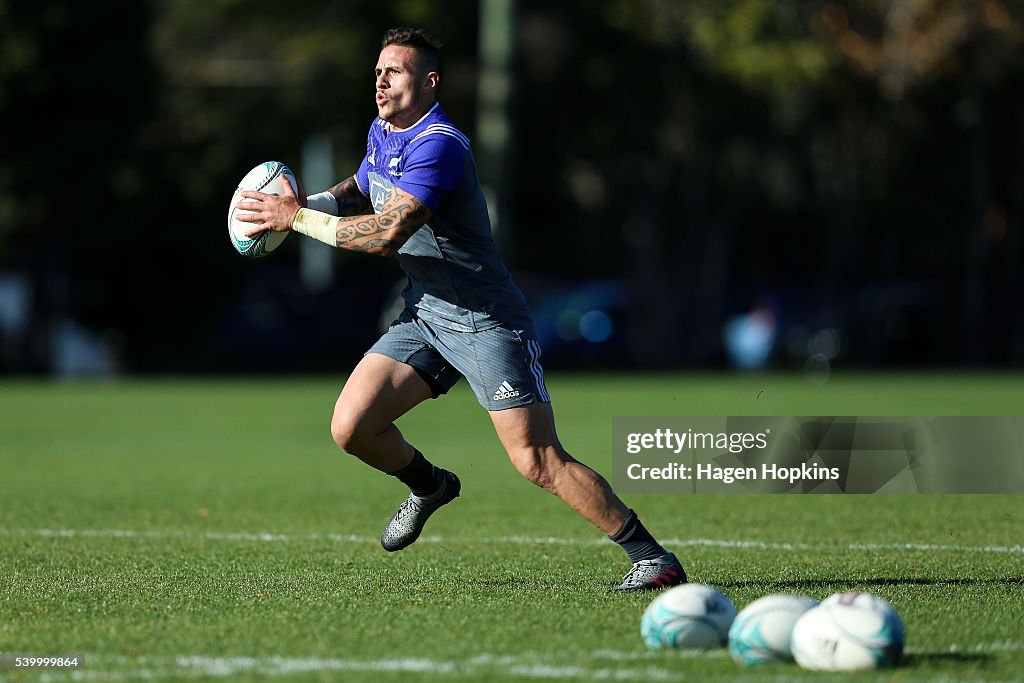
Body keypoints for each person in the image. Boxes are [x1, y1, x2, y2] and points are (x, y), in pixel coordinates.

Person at [235, 27, 686, 590]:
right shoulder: (384, 130)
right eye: (377, 70)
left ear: (429, 82)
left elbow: (386, 233)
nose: (379, 80)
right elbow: (365, 185)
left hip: (485, 321)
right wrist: (313, 202)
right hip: (425, 313)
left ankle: (652, 557)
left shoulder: (439, 144)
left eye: (393, 71)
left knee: (537, 460)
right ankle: (430, 486)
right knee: (351, 427)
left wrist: (294, 219)